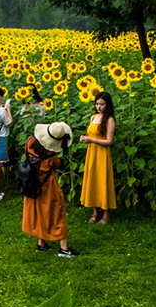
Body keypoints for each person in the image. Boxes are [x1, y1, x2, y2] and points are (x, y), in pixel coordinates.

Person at [22, 122, 80, 257]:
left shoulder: (29, 142)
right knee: (56, 212)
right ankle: (64, 248)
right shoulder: (50, 153)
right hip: (48, 185)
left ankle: (41, 243)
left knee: (39, 211)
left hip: (32, 182)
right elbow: (56, 165)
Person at [79, 91, 117, 224]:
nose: (99, 107)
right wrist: (84, 138)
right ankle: (95, 211)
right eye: (97, 104)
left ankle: (106, 213)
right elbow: (91, 133)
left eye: (102, 104)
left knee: (102, 180)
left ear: (108, 105)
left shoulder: (110, 120)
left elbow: (109, 141)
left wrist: (92, 140)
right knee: (92, 179)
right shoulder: (93, 117)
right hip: (92, 152)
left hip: (102, 153)